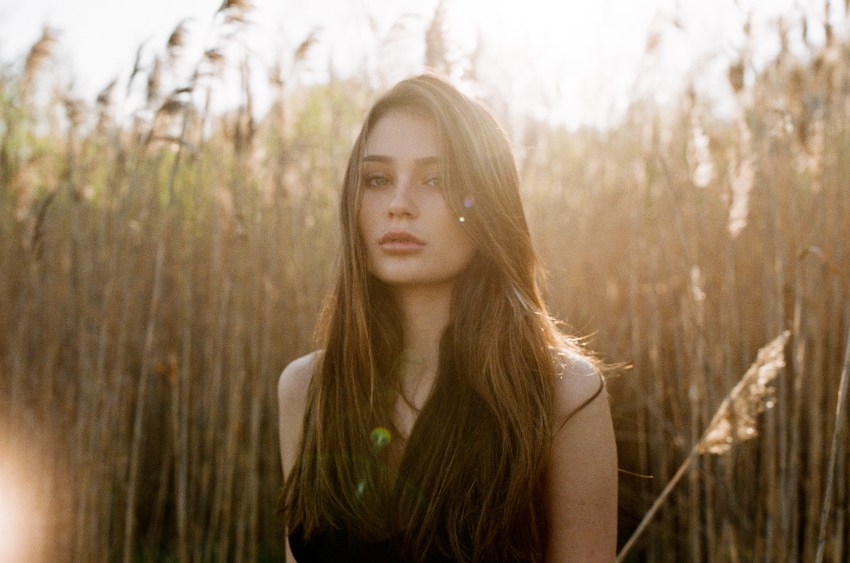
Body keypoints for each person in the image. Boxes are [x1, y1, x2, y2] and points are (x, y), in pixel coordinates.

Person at [277, 73, 617, 562]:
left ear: (486, 203)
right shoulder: (307, 389)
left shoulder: (563, 393)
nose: (398, 205)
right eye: (377, 179)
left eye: (435, 180)